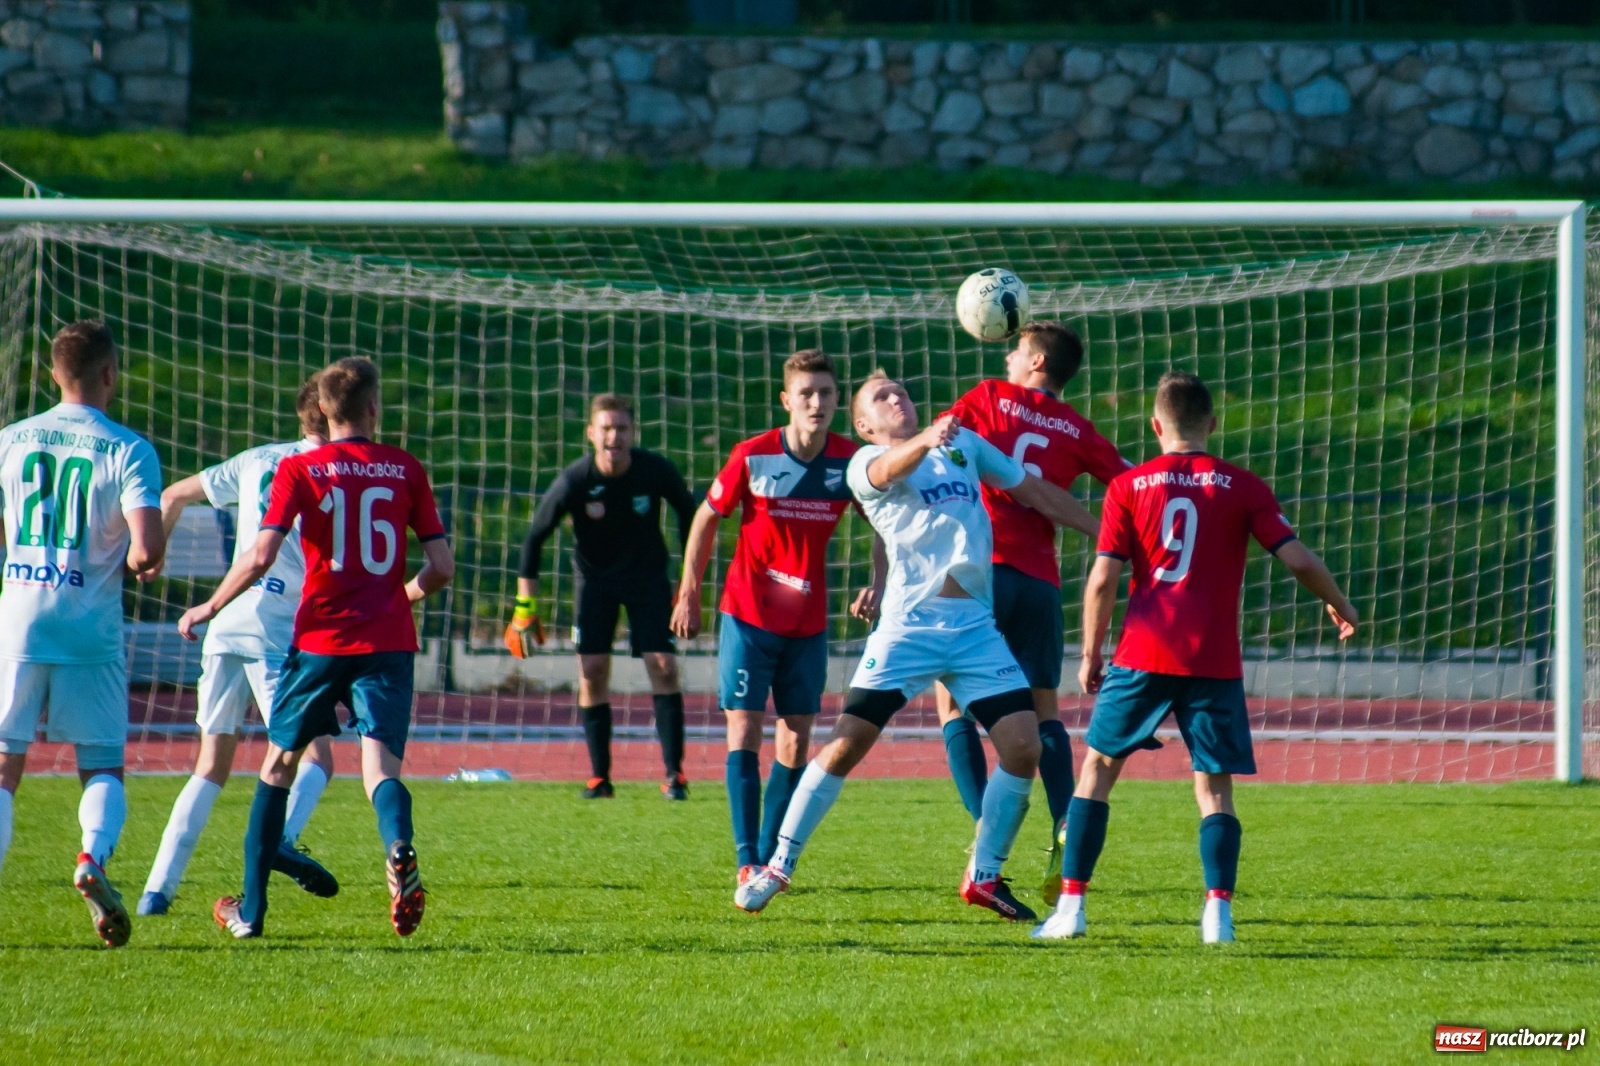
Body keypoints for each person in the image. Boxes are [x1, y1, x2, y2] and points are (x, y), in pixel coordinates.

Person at [735, 371, 1098, 922]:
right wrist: (925, 440)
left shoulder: (964, 446)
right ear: (863, 423)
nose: (897, 397)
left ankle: (984, 876)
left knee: (1025, 747)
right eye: (882, 397)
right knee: (844, 745)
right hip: (909, 629)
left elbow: (1030, 489)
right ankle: (778, 866)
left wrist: (1105, 532)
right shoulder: (862, 462)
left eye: (901, 391)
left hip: (975, 628)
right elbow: (885, 470)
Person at [1032, 371, 1358, 944]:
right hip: (1212, 660)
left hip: (1141, 653)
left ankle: (1070, 911)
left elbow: (1104, 578)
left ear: (1155, 425)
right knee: (1214, 786)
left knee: (1097, 773)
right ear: (1212, 423)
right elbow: (1299, 560)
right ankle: (1217, 917)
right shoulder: (1243, 486)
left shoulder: (1128, 486)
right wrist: (1340, 604)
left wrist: (1089, 653)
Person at [178, 356, 455, 939]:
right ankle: (399, 847)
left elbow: (258, 556)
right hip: (386, 640)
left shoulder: (302, 469)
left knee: (278, 765)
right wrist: (397, 597)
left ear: (323, 411)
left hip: (321, 639)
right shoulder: (405, 468)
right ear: (375, 408)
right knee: (378, 768)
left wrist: (210, 606)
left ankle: (250, 914)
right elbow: (441, 567)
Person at [669, 349, 885, 891]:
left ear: (838, 400)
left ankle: (771, 859)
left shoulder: (849, 462)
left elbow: (883, 525)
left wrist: (880, 582)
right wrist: (689, 591)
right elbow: (706, 518)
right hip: (748, 616)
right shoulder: (753, 455)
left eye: (827, 393)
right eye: (806, 394)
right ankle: (747, 857)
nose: (817, 403)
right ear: (787, 400)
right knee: (743, 729)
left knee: (795, 741)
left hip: (808, 624)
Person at [936, 322, 1130, 902]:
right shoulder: (1077, 428)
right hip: (1040, 581)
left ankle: (983, 836)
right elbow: (1129, 484)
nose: (1010, 356)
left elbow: (940, 439)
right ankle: (1065, 822)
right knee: (1045, 709)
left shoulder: (990, 396)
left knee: (953, 704)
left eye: (1017, 349)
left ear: (1037, 361)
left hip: (977, 568)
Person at [139, 375, 338, 916]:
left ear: (301, 416)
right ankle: (282, 840)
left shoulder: (257, 459)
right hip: (277, 625)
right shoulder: (339, 474)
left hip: (226, 621)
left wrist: (153, 555)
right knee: (316, 755)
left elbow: (174, 493)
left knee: (210, 765)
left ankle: (156, 891)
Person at [0, 320, 165, 948]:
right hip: (88, 625)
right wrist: (139, 561)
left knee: (4, 769)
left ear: (51, 374)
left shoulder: (11, 439)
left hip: (19, 617)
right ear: (109, 374)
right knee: (101, 766)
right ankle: (92, 859)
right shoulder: (127, 448)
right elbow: (145, 548)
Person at [506, 394, 697, 800]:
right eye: (606, 429)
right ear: (592, 434)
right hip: (594, 583)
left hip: (648, 579)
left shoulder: (655, 471)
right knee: (591, 670)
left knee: (663, 666)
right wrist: (525, 607)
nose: (614, 436)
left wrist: (688, 583)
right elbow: (534, 538)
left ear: (633, 432)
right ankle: (599, 778)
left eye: (622, 428)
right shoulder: (576, 479)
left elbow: (690, 514)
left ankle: (674, 776)